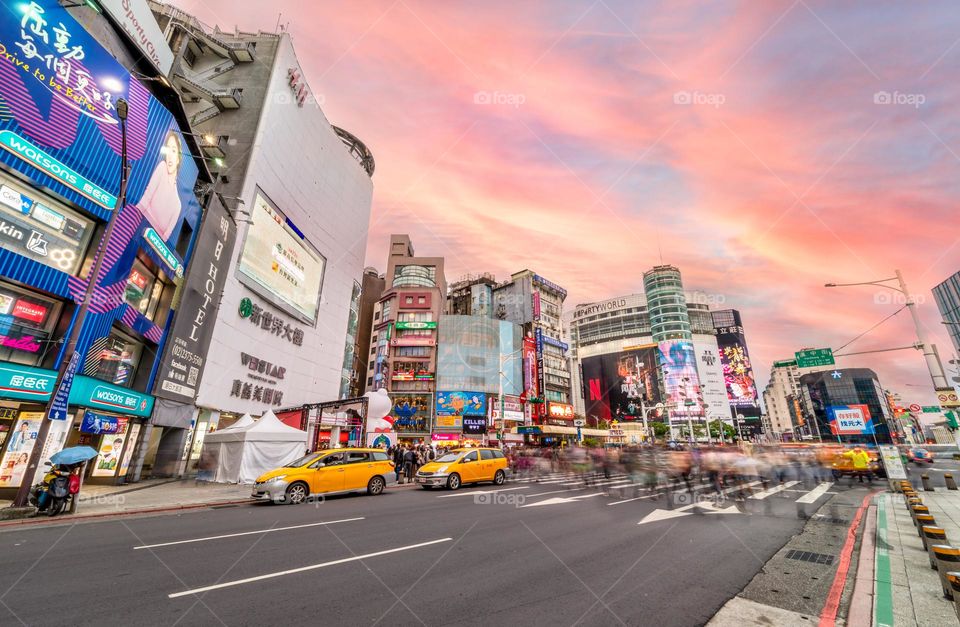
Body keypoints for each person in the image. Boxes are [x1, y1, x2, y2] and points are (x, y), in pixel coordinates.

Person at [139, 130, 184, 240]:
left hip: (146, 242)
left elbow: (164, 240)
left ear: (178, 159)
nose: (169, 155)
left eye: (173, 150)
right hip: (138, 226)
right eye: (167, 149)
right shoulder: (162, 167)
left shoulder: (178, 206)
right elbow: (144, 200)